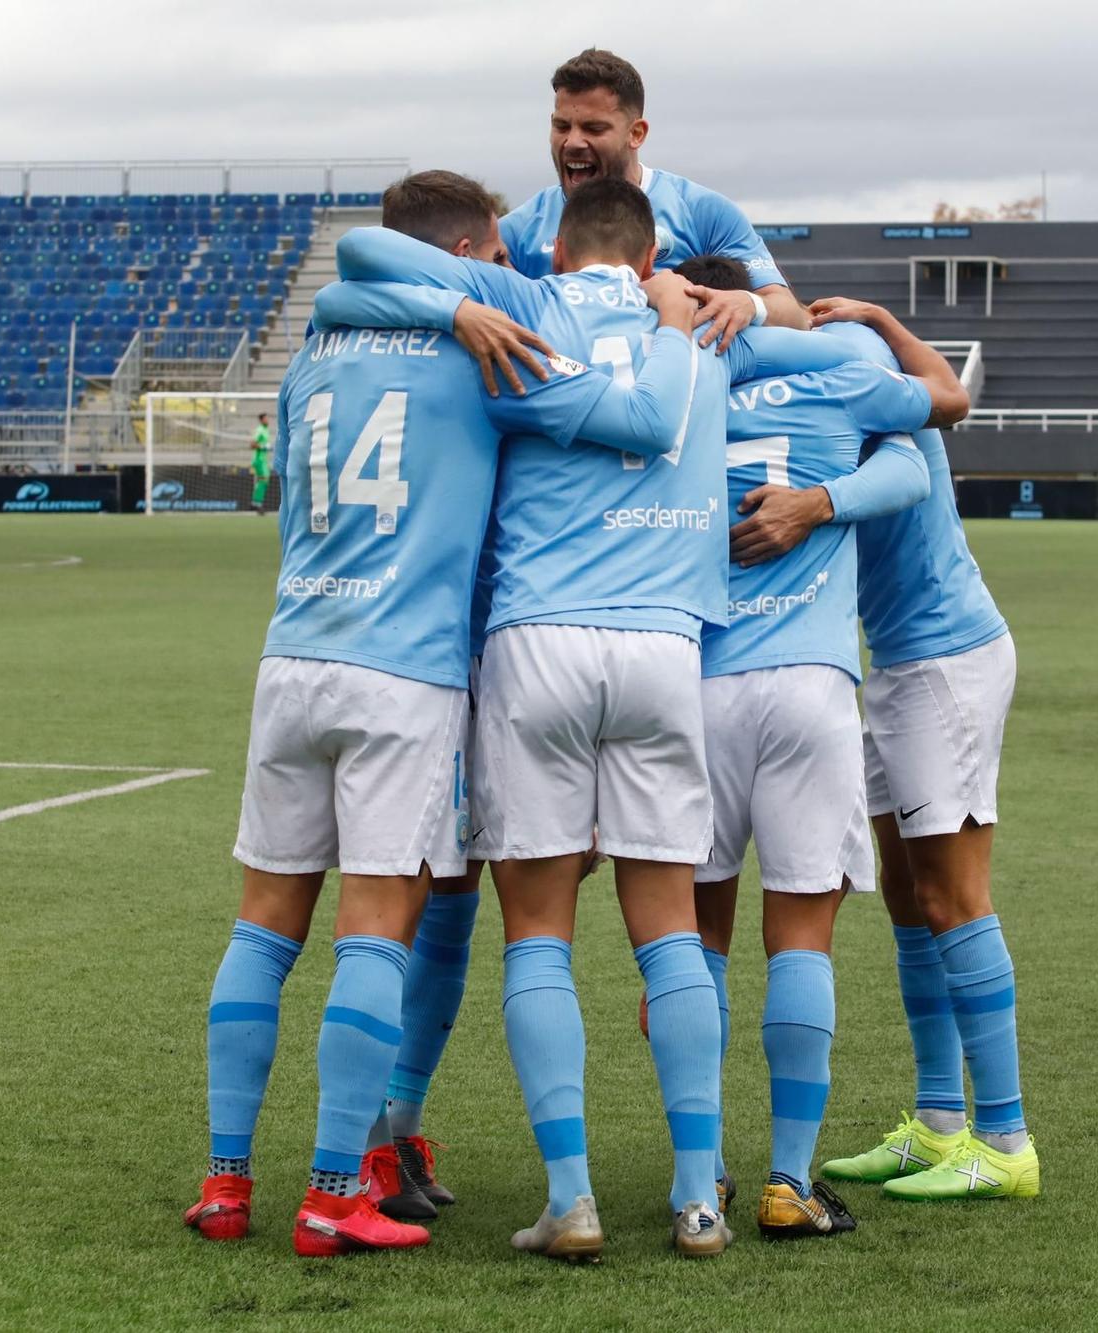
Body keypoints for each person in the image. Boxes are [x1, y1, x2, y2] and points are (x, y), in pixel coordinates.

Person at [184, 168, 704, 1258]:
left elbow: (349, 281)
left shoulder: (313, 350)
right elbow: (634, 420)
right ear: (467, 250)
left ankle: (228, 1180)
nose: (512, 276)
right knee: (384, 921)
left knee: (262, 925)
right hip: (411, 669)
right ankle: (338, 1185)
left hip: (294, 653)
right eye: (495, 262)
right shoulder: (485, 353)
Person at [318, 178, 738, 1259]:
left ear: (552, 248)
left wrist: (460, 306)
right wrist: (703, 310)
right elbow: (835, 356)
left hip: (537, 642)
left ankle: (572, 1200)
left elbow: (363, 255)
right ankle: (699, 1198)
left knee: (537, 937)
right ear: (649, 256)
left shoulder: (529, 301)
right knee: (670, 934)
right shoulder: (690, 326)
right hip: (662, 644)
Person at [673, 274, 964, 1238]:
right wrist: (822, 500)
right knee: (801, 935)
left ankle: (701, 1179)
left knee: (696, 943)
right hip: (809, 683)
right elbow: (928, 442)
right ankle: (789, 1184)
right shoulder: (839, 370)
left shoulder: (678, 381)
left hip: (699, 684)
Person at [499, 48, 809, 336]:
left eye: (594, 129)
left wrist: (749, 304)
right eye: (562, 127)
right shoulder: (516, 231)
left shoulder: (704, 212)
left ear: (636, 134)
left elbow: (792, 314)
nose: (573, 142)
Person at [249, 413, 274, 512]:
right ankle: (258, 504)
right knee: (263, 480)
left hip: (263, 460)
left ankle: (254, 503)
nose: (267, 420)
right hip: (259, 459)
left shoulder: (266, 430)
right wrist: (264, 447)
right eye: (266, 419)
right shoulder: (259, 430)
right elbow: (252, 444)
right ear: (261, 420)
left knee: (263, 481)